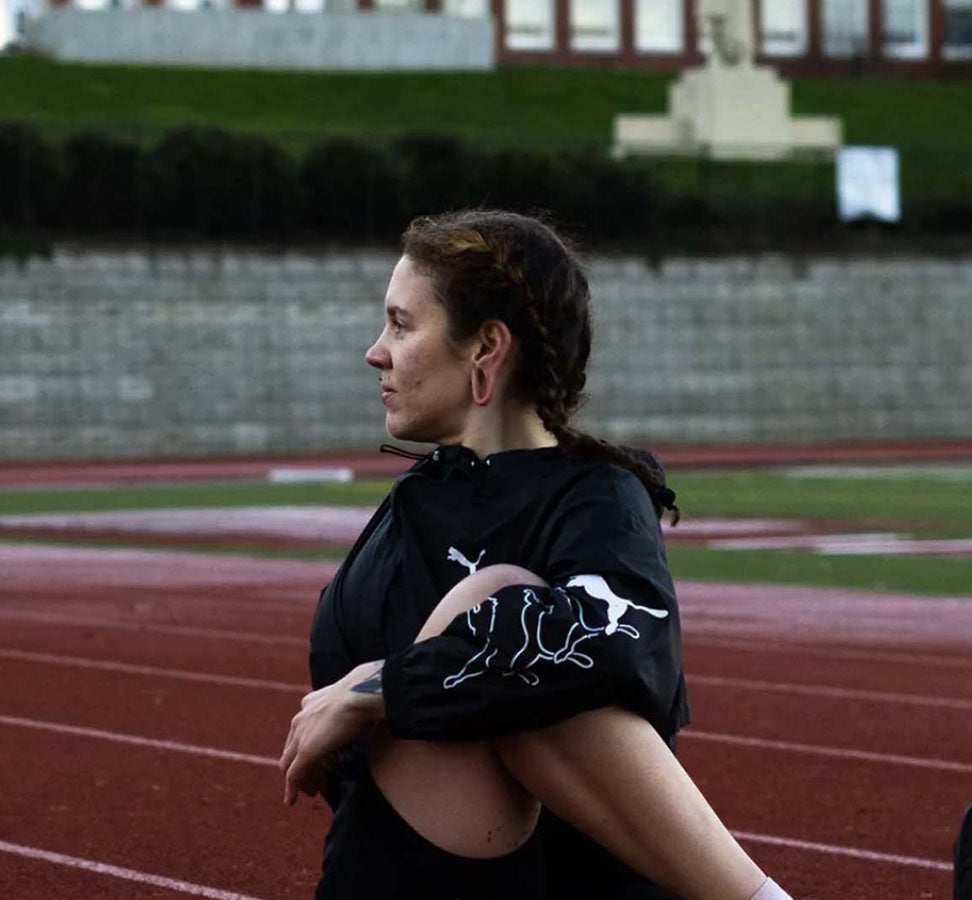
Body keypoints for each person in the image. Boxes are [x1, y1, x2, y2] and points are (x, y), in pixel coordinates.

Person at [278, 209, 794, 900]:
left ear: (486, 348)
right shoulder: (415, 502)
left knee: (497, 603)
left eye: (401, 325)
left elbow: (609, 640)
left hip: (556, 881)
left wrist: (381, 686)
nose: (377, 351)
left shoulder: (598, 497)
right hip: (402, 866)